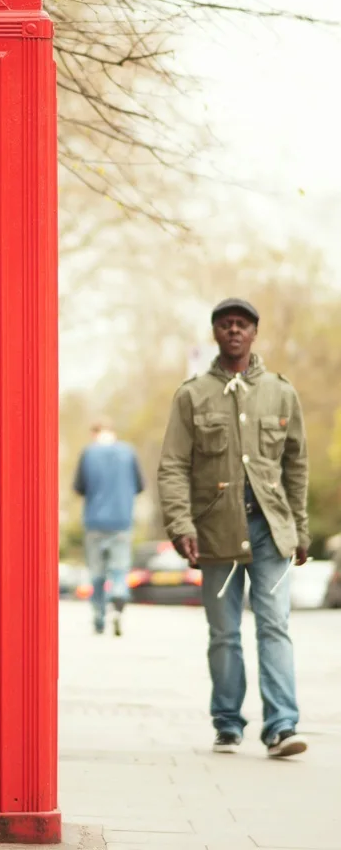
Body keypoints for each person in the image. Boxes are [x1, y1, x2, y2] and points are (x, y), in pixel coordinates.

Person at [157, 298, 309, 758]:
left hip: (270, 530)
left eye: (241, 325)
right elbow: (172, 465)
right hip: (215, 530)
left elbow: (296, 464)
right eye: (225, 325)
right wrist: (180, 523)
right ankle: (227, 722)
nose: (234, 331)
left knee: (274, 626)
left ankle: (282, 726)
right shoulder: (193, 394)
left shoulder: (282, 393)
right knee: (223, 633)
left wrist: (300, 528)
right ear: (216, 334)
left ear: (254, 333)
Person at [73, 420, 144, 636]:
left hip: (94, 521)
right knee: (119, 569)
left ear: (95, 433)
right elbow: (140, 486)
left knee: (97, 573)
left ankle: (99, 617)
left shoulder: (89, 453)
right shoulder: (128, 453)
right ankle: (119, 600)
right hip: (122, 521)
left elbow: (79, 487)